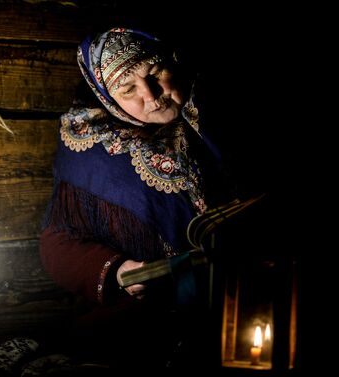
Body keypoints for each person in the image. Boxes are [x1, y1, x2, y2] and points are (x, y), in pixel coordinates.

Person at [39, 27, 234, 374]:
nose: (152, 95)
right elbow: (58, 242)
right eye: (129, 90)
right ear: (107, 99)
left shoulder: (219, 110)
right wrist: (116, 271)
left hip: (241, 304)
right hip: (148, 319)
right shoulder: (90, 148)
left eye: (155, 74)